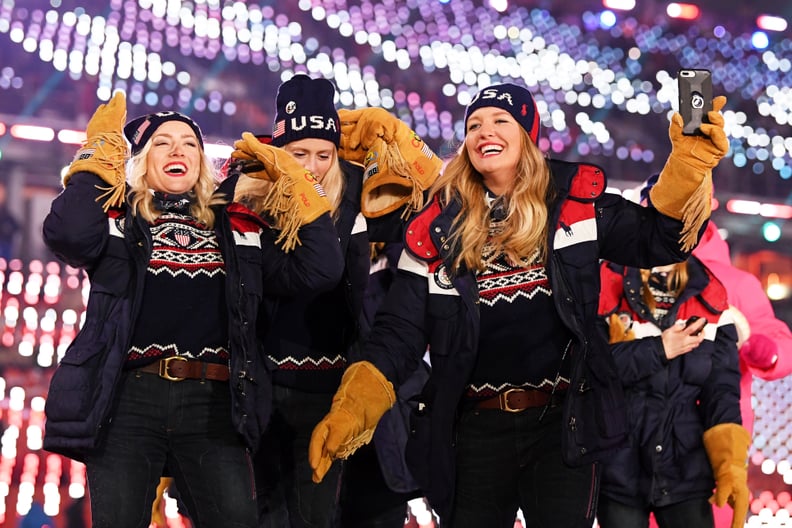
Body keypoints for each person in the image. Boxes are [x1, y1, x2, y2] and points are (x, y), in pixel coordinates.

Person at [307, 82, 731, 527]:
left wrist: (689, 162)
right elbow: (399, 332)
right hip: (472, 432)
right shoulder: (436, 228)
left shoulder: (577, 205)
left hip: (561, 428)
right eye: (473, 125)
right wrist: (352, 408)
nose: (483, 131)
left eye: (499, 120)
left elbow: (657, 239)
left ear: (528, 135)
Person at [41, 92, 344, 528]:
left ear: (202, 161)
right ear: (142, 160)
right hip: (129, 399)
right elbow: (65, 234)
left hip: (215, 402)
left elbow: (320, 270)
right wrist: (97, 152)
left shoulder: (238, 225)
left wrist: (296, 179)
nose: (178, 149)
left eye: (189, 143)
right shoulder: (118, 218)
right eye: (162, 143)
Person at [234, 74, 436, 528]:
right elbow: (307, 275)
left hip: (339, 390)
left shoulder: (359, 192)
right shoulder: (246, 194)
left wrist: (403, 140)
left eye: (323, 155)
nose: (312, 168)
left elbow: (446, 203)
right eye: (298, 155)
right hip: (263, 389)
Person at [596, 256, 748, 528]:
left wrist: (731, 465)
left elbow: (721, 393)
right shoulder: (606, 284)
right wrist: (658, 349)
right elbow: (590, 368)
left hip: (686, 469)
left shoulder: (710, 298)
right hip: (619, 468)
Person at [691, 220, 792, 528]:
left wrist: (763, 349)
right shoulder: (623, 272)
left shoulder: (735, 284)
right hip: (632, 435)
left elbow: (777, 341)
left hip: (716, 435)